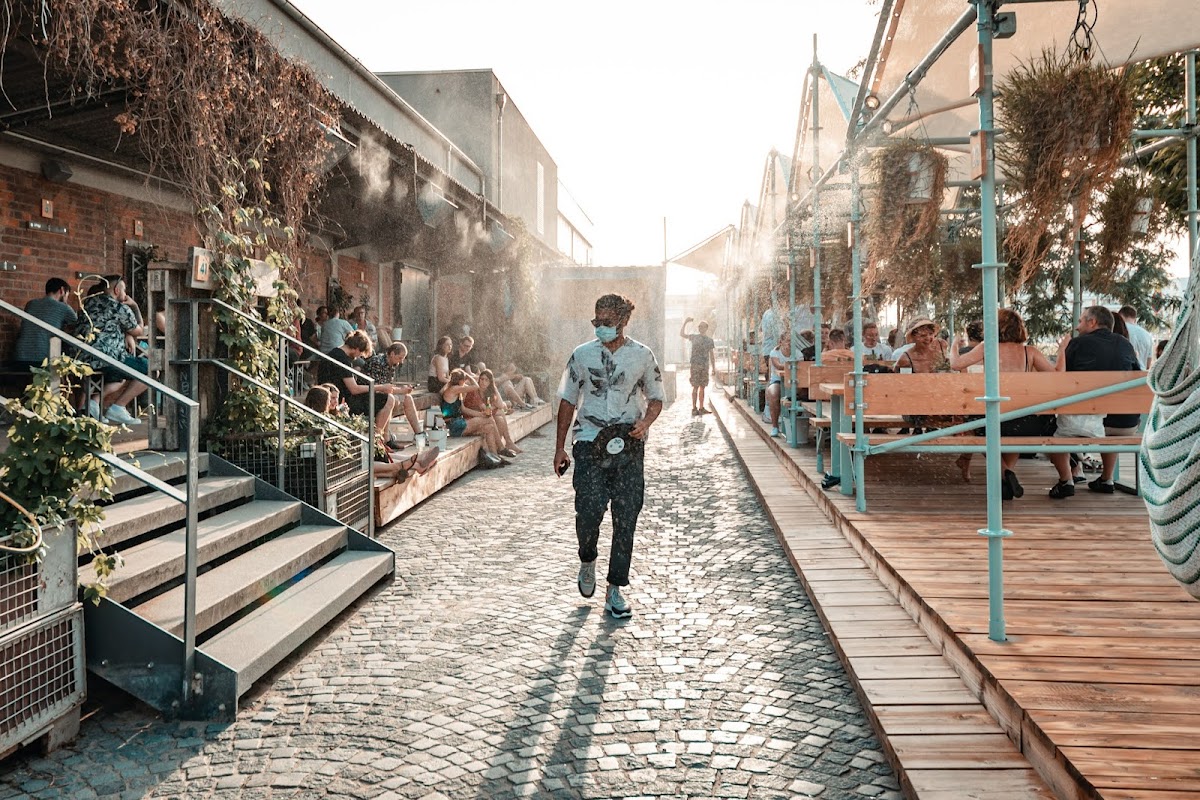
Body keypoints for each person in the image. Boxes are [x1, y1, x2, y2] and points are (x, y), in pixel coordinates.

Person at [554, 293, 664, 620]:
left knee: (626, 516)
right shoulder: (581, 355)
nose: (600, 327)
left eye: (607, 322)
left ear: (623, 321)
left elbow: (656, 397)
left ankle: (615, 589)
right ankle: (587, 558)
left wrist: (645, 422)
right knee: (588, 510)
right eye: (596, 321)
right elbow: (567, 400)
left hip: (629, 445)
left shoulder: (642, 355)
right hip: (589, 443)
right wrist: (559, 447)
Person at [948, 308, 1056, 493]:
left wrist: (953, 346)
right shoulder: (1030, 351)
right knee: (1014, 431)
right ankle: (1005, 480)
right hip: (1025, 422)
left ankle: (1005, 472)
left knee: (976, 426)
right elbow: (1055, 376)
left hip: (992, 420)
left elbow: (956, 364)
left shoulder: (987, 347)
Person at [1047, 306, 1139, 499]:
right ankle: (1107, 479)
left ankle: (1066, 480)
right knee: (1110, 425)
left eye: (1080, 321)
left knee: (1050, 431)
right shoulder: (1126, 345)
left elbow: (1059, 380)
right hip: (1124, 423)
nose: (1077, 326)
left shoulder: (1077, 344)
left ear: (1092, 322)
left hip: (1089, 422)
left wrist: (1062, 350)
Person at [303, 385, 435, 485]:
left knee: (372, 454)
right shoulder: (318, 420)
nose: (333, 402)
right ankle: (406, 464)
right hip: (339, 463)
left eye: (335, 398)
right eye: (330, 399)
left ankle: (415, 463)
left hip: (347, 458)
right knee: (364, 460)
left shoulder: (331, 415)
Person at [75, 275, 147, 425]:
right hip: (108, 358)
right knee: (151, 369)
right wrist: (134, 306)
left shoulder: (86, 305)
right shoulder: (119, 308)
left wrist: (126, 334)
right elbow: (139, 330)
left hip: (81, 358)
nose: (125, 294)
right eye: (124, 290)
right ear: (116, 290)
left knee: (118, 377)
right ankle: (118, 407)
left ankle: (94, 402)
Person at [317, 330, 397, 439]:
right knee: (388, 399)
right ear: (357, 349)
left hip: (337, 395)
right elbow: (354, 389)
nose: (359, 356)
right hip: (342, 399)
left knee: (385, 398)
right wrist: (381, 387)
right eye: (361, 353)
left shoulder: (334, 353)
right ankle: (376, 439)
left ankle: (384, 438)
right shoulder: (342, 360)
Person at [441, 368, 507, 466]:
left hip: (458, 424)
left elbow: (463, 409)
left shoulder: (457, 391)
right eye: (464, 380)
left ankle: (496, 457)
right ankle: (501, 448)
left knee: (489, 427)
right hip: (454, 425)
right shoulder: (454, 389)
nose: (465, 383)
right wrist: (468, 375)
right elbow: (476, 387)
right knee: (489, 419)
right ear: (461, 381)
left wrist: (480, 415)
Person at [12, 278, 77, 370]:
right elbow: (79, 326)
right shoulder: (64, 308)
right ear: (62, 290)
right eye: (67, 295)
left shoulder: (31, 304)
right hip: (43, 360)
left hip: (20, 356)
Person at [361, 342, 422, 437]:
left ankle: (419, 434)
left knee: (408, 398)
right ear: (392, 354)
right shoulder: (377, 362)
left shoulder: (392, 364)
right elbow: (380, 387)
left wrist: (403, 389)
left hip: (382, 392)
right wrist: (400, 390)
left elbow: (388, 386)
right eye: (400, 358)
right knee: (392, 399)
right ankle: (384, 437)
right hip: (368, 394)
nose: (401, 362)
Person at [679, 317, 717, 415]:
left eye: (702, 326)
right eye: (699, 326)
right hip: (695, 365)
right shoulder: (694, 337)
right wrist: (685, 322)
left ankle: (701, 407)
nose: (700, 328)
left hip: (704, 366)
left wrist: (713, 368)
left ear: (706, 328)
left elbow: (711, 355)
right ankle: (694, 408)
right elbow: (682, 334)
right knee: (695, 387)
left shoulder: (709, 340)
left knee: (702, 387)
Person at [765, 334, 795, 438]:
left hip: (794, 381)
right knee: (773, 393)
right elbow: (778, 365)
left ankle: (794, 426)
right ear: (781, 341)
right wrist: (793, 365)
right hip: (777, 380)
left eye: (791, 340)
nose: (789, 343)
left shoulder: (798, 353)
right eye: (787, 340)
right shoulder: (775, 352)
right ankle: (775, 426)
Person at [1118, 305, 1154, 369]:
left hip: (1125, 372)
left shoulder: (1119, 330)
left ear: (1120, 316)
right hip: (1142, 373)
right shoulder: (1147, 335)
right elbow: (1148, 363)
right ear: (1135, 318)